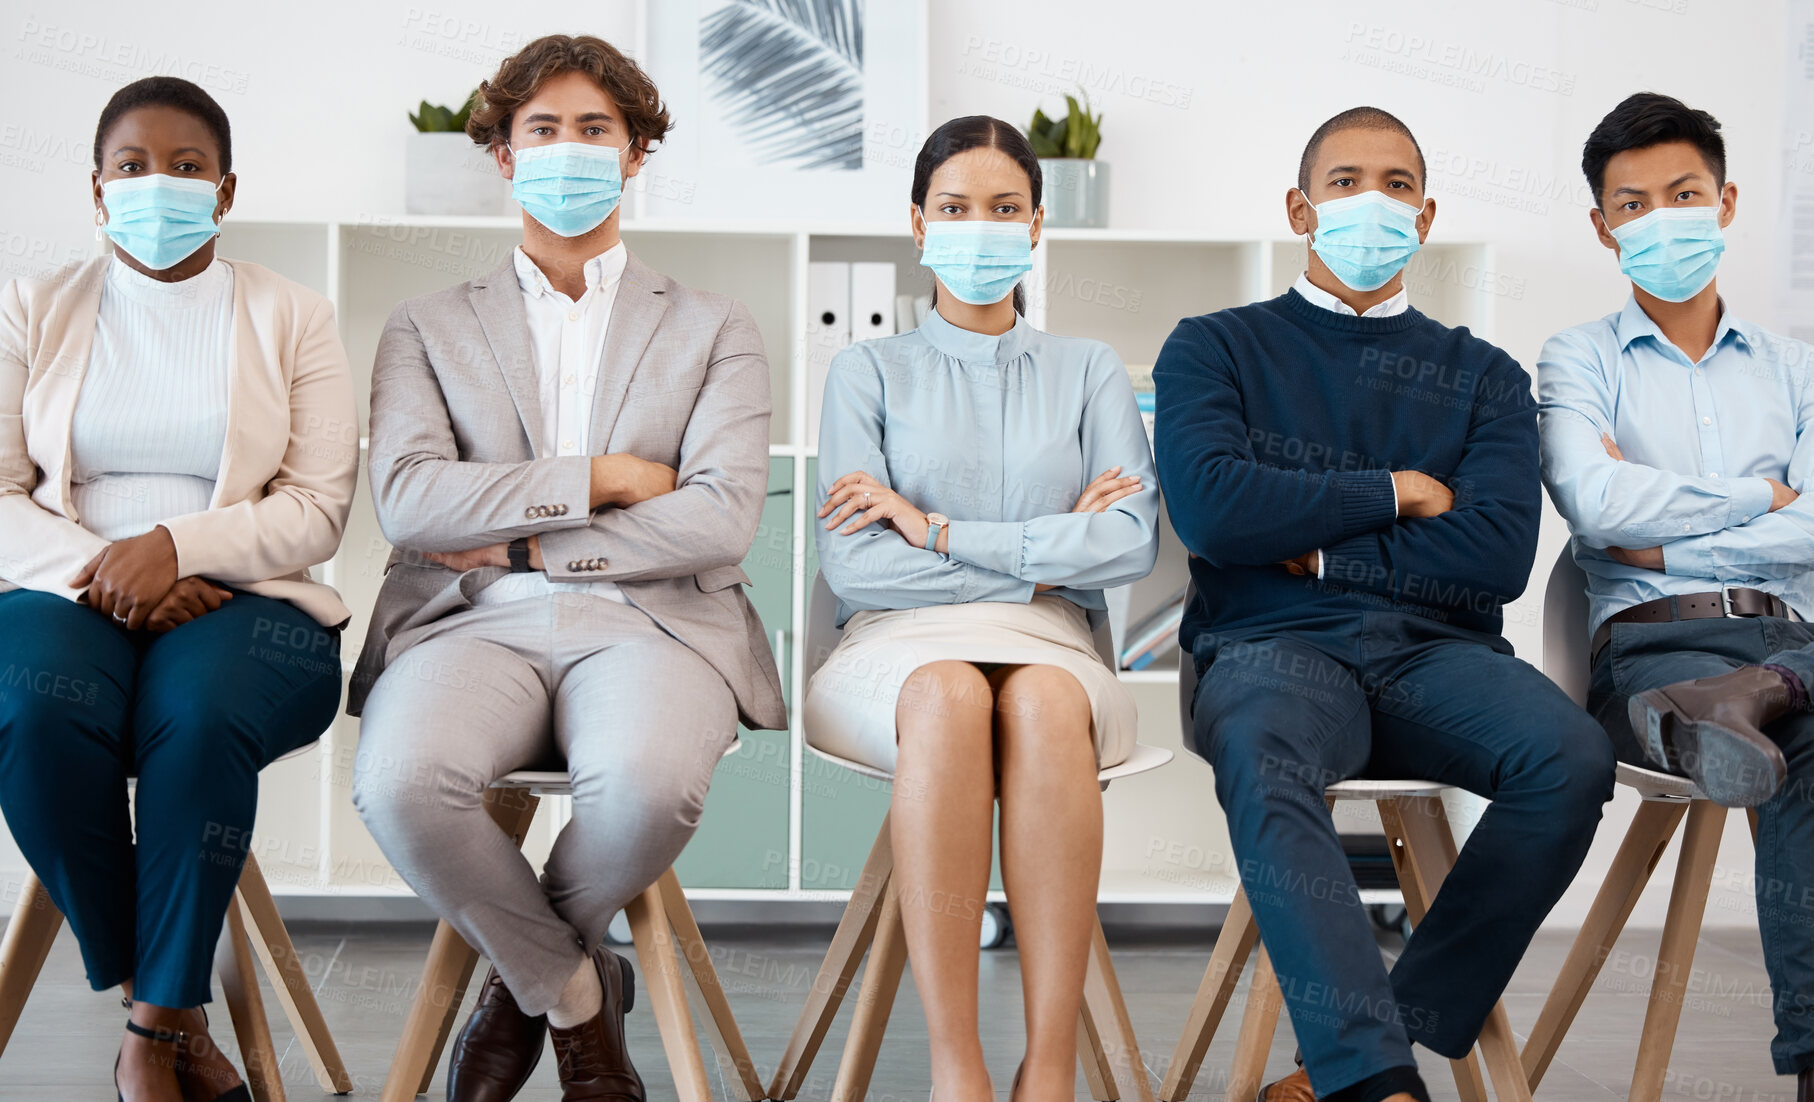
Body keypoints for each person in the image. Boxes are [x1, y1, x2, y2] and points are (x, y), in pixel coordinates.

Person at [348, 33, 785, 1102]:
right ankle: (578, 993)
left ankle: (513, 989)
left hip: (654, 623)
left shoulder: (716, 326)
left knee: (643, 788)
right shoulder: (426, 327)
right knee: (401, 785)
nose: (569, 149)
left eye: (596, 129)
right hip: (468, 619)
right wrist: (603, 475)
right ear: (502, 153)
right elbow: (408, 500)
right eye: (542, 129)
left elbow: (718, 520)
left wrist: (523, 535)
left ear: (635, 153)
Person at [1153, 106, 1614, 1102]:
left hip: (1435, 660)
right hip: (1267, 650)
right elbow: (1213, 512)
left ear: (1425, 211)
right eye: (1347, 179)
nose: (1373, 201)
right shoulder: (1213, 347)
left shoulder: (1482, 376)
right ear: (1299, 207)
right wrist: (1395, 490)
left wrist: (1314, 550)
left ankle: (1370, 1039)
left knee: (1569, 756)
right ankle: (1376, 1087)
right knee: (1264, 754)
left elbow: (1492, 555)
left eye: (1396, 184)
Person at [0, 76, 357, 1102]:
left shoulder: (295, 314)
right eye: (132, 166)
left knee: (197, 719)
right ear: (98, 190)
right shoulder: (31, 308)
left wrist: (179, 547)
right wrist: (114, 573)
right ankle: (172, 1016)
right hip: (63, 590)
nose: (159, 185)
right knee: (27, 705)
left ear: (227, 188)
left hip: (252, 606)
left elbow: (316, 509)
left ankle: (149, 1032)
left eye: (187, 167)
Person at [806, 114, 1158, 1102]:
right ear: (916, 225)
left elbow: (1129, 541)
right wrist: (1043, 554)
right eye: (954, 208)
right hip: (892, 645)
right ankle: (955, 1069)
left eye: (1004, 208)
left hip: (1053, 642)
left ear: (1036, 225)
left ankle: (1046, 1067)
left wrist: (935, 530)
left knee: (1045, 703)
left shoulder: (1086, 368)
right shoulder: (864, 372)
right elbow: (856, 566)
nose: (979, 228)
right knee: (950, 697)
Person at [1539, 92, 1814, 1098]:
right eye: (1632, 202)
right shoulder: (1578, 357)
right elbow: (1594, 501)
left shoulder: (1797, 370)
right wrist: (1758, 495)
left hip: (1781, 632)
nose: (1659, 219)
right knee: (1808, 733)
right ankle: (1753, 698)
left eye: (1683, 193)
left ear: (1726, 200)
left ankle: (1757, 698)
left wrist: (1664, 531)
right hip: (1656, 656)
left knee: (1798, 725)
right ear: (1600, 225)